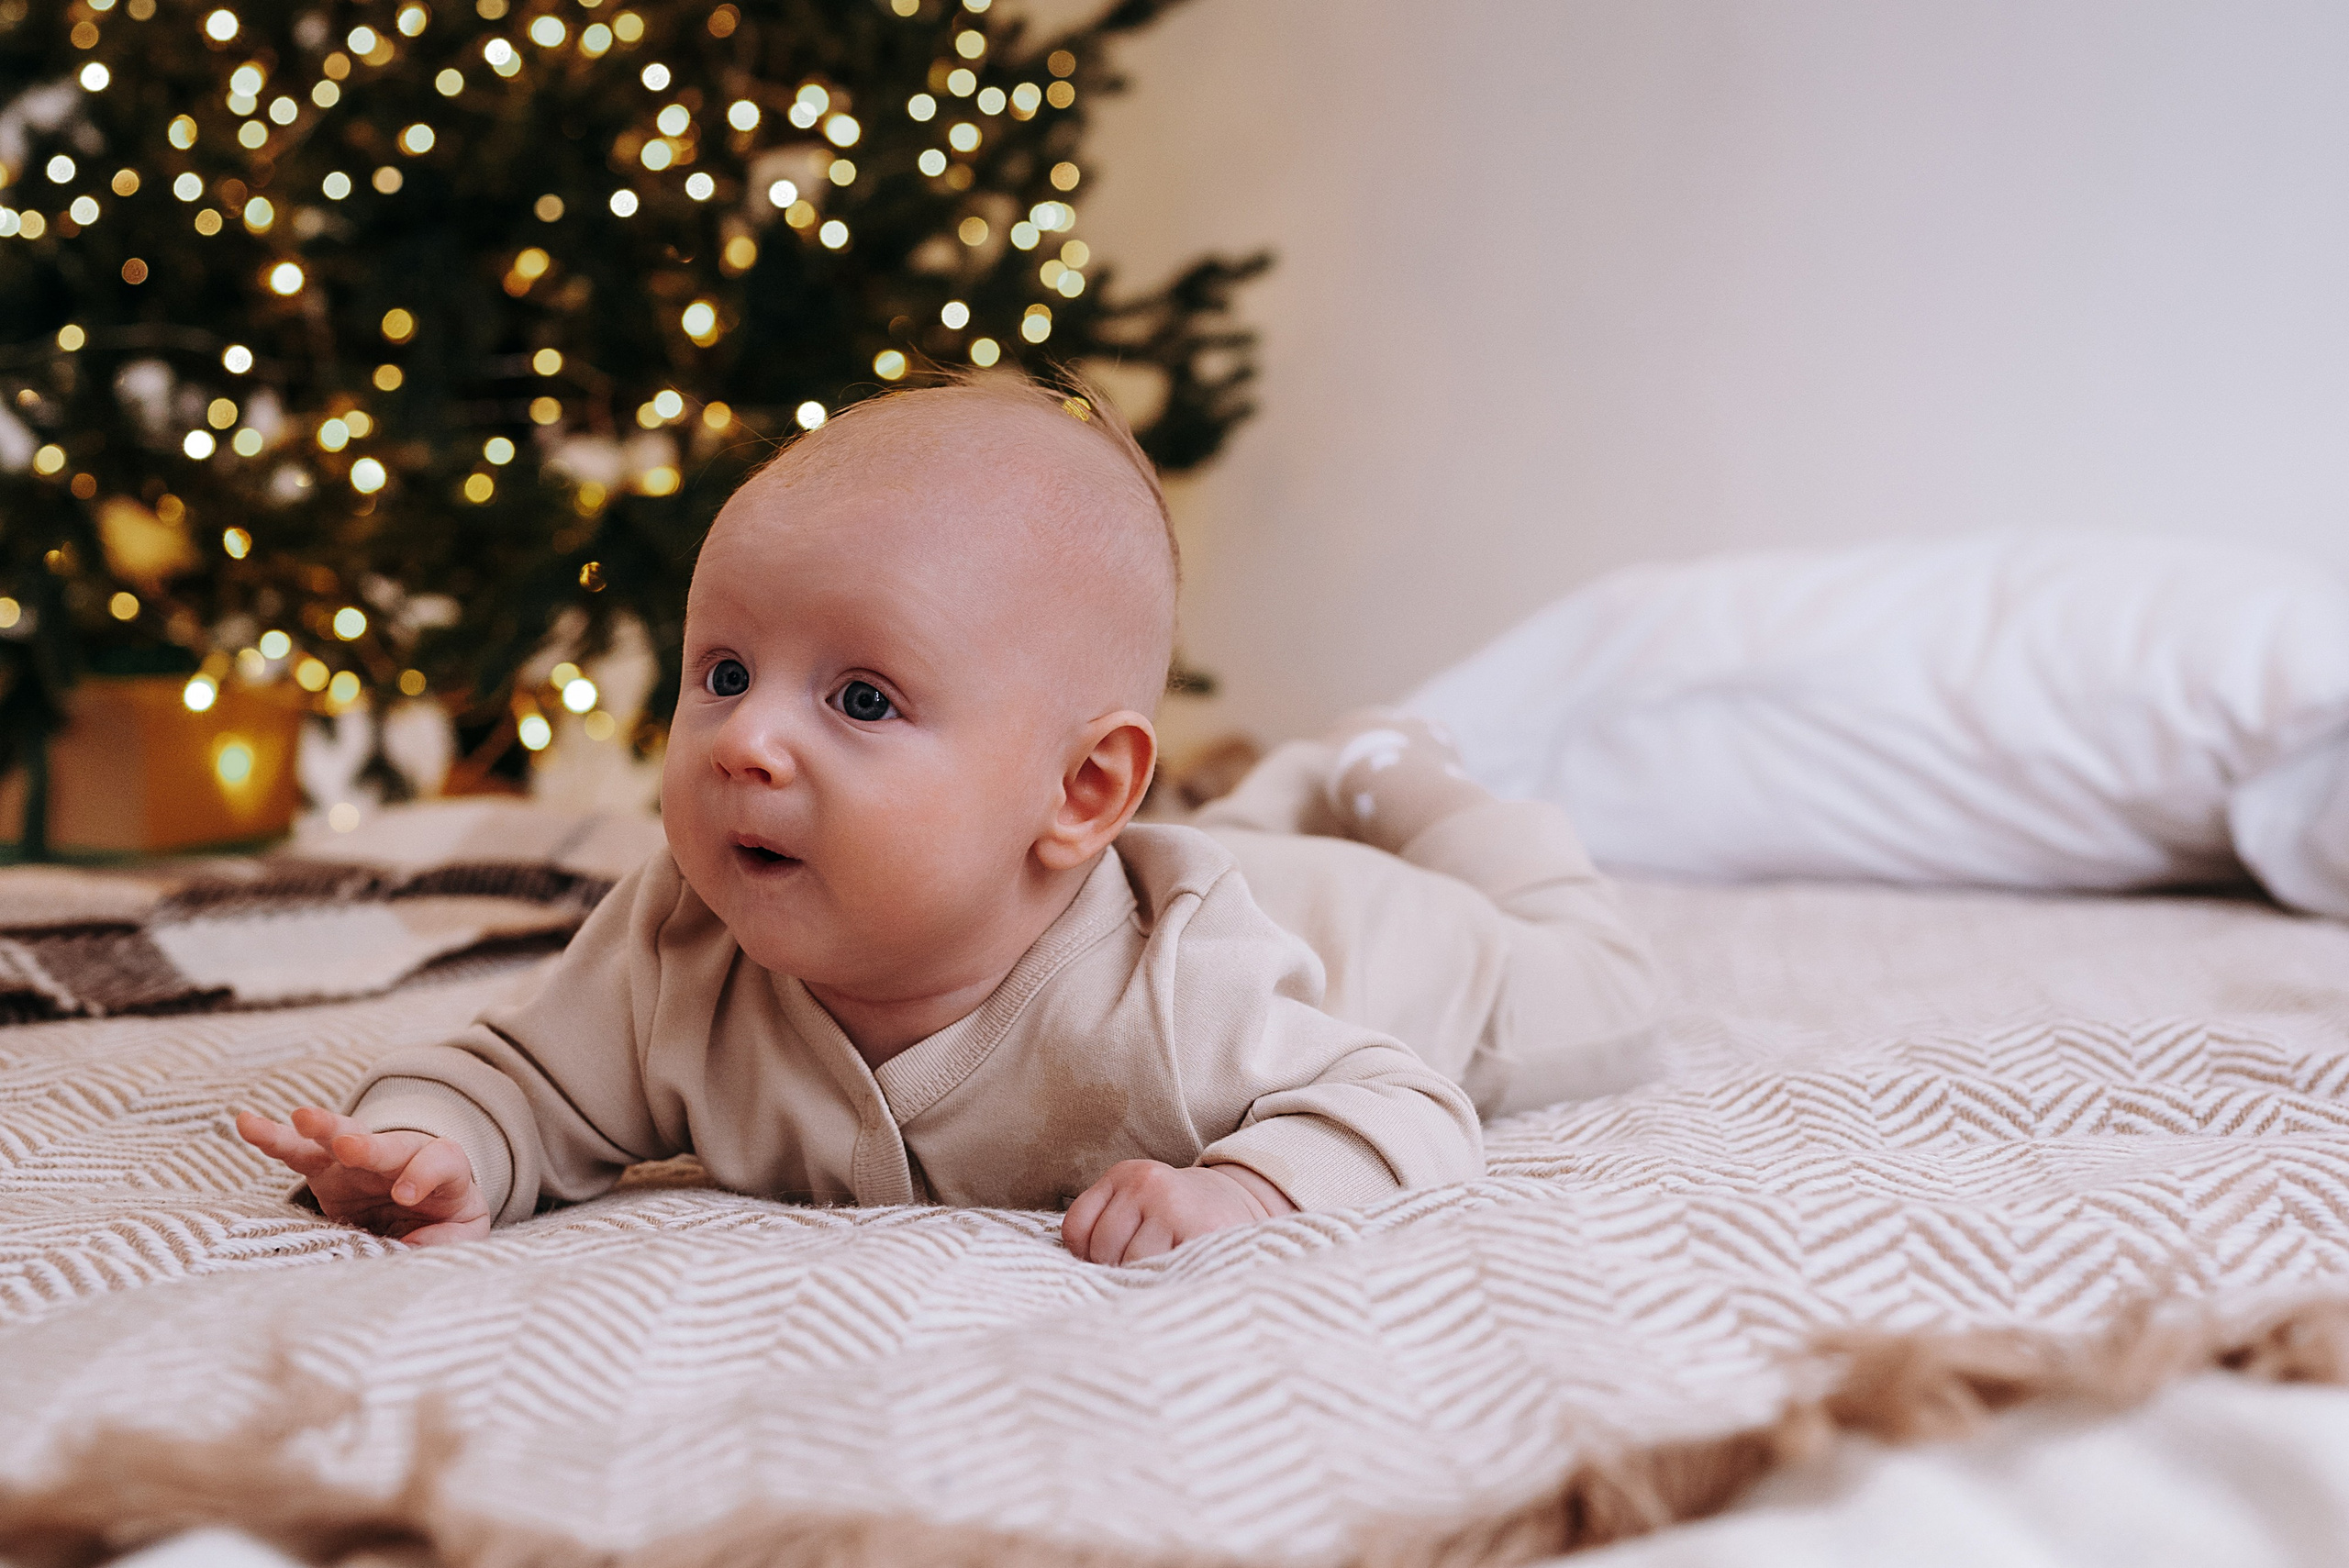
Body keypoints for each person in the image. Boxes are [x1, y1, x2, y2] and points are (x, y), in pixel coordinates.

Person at [237, 375, 1656, 1265]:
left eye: (859, 695)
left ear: (1081, 789)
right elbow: (516, 1080)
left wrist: (1255, 1190)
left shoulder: (1178, 988)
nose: (748, 740)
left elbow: (1399, 1101)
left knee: (1597, 986)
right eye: (723, 672)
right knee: (1274, 830)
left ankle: (1412, 783)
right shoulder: (680, 941)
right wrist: (432, 1148)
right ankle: (1294, 787)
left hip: (1387, 947)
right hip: (1193, 857)